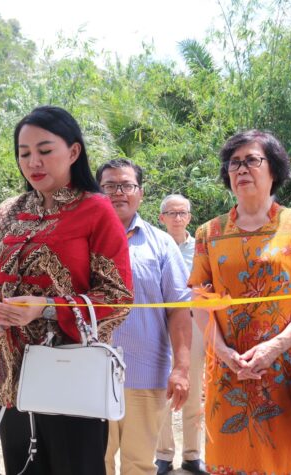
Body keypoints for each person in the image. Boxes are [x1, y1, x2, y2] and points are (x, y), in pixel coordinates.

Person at [0, 106, 134, 475]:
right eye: (24, 153)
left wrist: (46, 307)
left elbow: (118, 297)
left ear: (74, 152)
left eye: (45, 150)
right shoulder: (6, 213)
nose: (33, 162)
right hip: (14, 377)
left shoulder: (95, 210)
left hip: (72, 376)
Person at [189, 130, 291, 474]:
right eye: (234, 163)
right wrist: (223, 353)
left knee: (283, 461)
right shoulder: (208, 233)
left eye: (252, 160)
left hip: (286, 373)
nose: (241, 169)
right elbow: (198, 302)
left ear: (275, 169)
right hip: (228, 373)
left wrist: (274, 347)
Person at [96, 161, 193, 475]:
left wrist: (181, 368)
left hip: (145, 374)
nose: (118, 193)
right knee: (94, 463)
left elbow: (179, 310)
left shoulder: (161, 244)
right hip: (91, 374)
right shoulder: (82, 240)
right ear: (98, 191)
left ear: (140, 192)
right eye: (110, 186)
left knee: (139, 465)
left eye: (127, 185)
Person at [155, 194, 208, 475]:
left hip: (193, 325)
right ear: (161, 217)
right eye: (171, 213)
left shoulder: (201, 249)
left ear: (189, 217)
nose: (177, 218)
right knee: (161, 389)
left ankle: (192, 455)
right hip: (159, 326)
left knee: (193, 389)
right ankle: (163, 455)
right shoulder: (154, 245)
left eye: (182, 213)